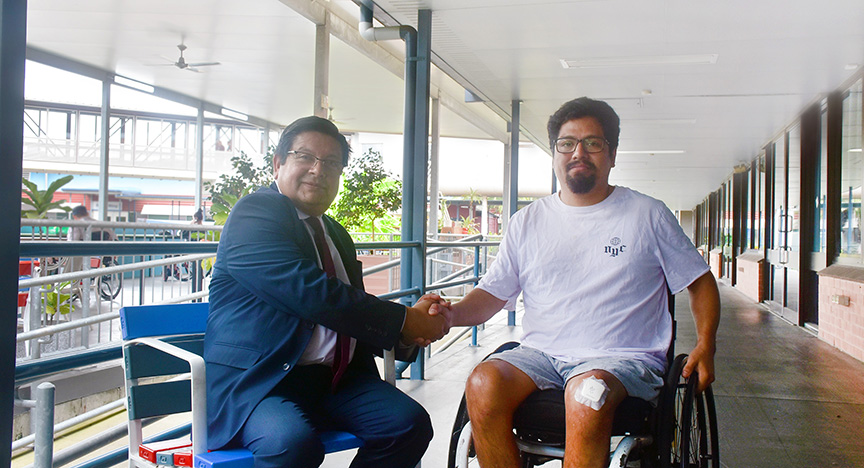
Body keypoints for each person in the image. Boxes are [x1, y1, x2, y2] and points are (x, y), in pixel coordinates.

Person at [432, 97, 721, 468]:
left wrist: (706, 345)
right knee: (482, 382)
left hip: (623, 358)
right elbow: (492, 293)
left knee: (589, 393)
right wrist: (450, 314)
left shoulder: (647, 215)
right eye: (567, 143)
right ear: (554, 153)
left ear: (612, 154)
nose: (578, 152)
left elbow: (699, 282)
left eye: (593, 143)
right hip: (541, 356)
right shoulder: (528, 221)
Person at [204, 116, 449, 468]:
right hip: (261, 384)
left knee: (408, 425)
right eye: (305, 157)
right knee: (291, 445)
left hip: (336, 383)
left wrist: (409, 333)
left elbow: (345, 312)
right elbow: (310, 293)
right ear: (278, 164)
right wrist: (404, 321)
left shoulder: (336, 234)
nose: (318, 170)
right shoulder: (254, 214)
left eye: (331, 163)